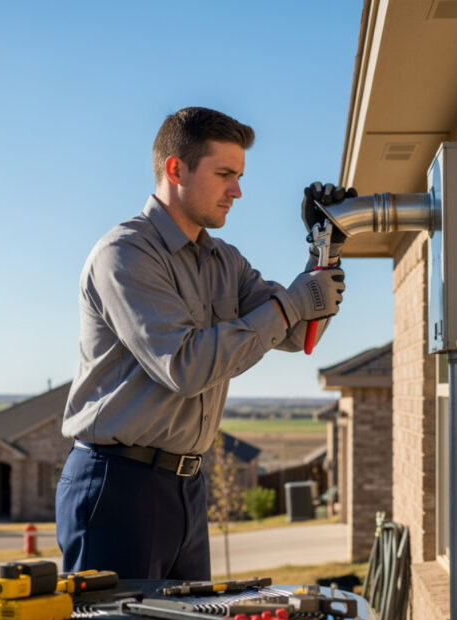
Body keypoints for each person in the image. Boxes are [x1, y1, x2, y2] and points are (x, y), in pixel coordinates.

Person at [57, 106, 351, 580]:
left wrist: (325, 246)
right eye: (224, 174)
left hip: (186, 486)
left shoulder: (223, 260)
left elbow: (298, 333)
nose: (237, 190)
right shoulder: (126, 255)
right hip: (116, 486)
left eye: (239, 176)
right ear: (176, 169)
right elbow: (186, 367)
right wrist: (291, 302)